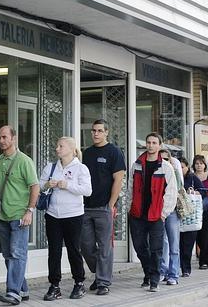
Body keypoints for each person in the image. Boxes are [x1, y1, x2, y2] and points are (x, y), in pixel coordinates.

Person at [0, 126, 39, 305]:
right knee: (8, 255)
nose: (1, 140)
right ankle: (22, 289)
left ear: (13, 138)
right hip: (2, 216)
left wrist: (29, 211)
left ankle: (13, 292)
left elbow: (35, 187)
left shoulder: (24, 161)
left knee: (17, 254)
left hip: (19, 215)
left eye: (5, 137)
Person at [40, 137, 92, 301]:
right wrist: (48, 185)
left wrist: (66, 185)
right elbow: (39, 185)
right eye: (57, 146)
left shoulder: (81, 168)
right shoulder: (51, 167)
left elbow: (87, 190)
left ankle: (79, 283)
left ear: (71, 148)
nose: (57, 149)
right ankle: (54, 286)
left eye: (60, 146)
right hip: (53, 215)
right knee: (54, 251)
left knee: (73, 250)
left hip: (73, 215)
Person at [81, 120, 126, 295]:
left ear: (106, 132)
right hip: (85, 207)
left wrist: (111, 204)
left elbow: (118, 180)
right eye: (93, 130)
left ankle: (103, 282)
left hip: (104, 207)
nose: (96, 134)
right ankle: (99, 273)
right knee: (85, 245)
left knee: (105, 246)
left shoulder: (114, 152)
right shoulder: (87, 153)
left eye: (100, 130)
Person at [128, 133, 177, 292]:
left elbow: (171, 192)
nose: (150, 145)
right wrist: (130, 207)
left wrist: (164, 214)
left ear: (160, 146)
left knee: (156, 249)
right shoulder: (136, 165)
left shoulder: (166, 167)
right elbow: (130, 188)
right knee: (139, 247)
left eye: (154, 142)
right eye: (148, 142)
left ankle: (154, 280)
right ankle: (148, 273)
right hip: (137, 214)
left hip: (156, 215)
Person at [158, 149, 181, 286]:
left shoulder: (175, 172)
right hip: (158, 210)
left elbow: (177, 190)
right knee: (162, 242)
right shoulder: (156, 172)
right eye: (161, 159)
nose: (164, 161)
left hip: (172, 210)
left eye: (166, 159)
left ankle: (173, 274)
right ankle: (162, 270)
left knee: (173, 244)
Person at [178, 157, 203, 278]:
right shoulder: (174, 177)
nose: (181, 169)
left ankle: (186, 269)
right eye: (179, 166)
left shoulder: (192, 178)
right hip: (176, 215)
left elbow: (203, 191)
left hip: (190, 216)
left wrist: (195, 193)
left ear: (187, 167)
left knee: (187, 244)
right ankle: (175, 267)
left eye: (183, 167)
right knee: (176, 244)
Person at [193, 154, 208, 270]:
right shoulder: (192, 177)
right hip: (194, 209)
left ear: (205, 165)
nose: (199, 166)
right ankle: (199, 255)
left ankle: (205, 261)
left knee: (206, 234)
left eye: (201, 163)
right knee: (196, 234)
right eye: (197, 163)